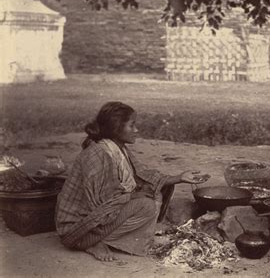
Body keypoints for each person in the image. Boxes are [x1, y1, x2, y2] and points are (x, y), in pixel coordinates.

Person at [55, 101, 209, 262]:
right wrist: (134, 196)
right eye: (132, 125)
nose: (136, 130)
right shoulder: (99, 154)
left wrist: (179, 177)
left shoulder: (115, 147)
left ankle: (103, 239)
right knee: (146, 204)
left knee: (151, 196)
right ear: (116, 128)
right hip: (76, 229)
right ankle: (92, 242)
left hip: (94, 219)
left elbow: (141, 175)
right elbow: (102, 204)